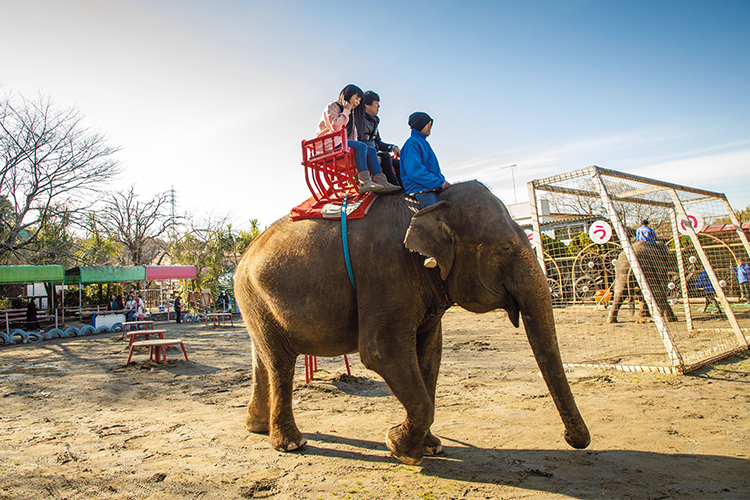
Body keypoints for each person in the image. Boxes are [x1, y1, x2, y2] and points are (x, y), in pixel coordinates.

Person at [316, 84, 401, 194]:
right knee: (362, 146)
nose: (357, 102)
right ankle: (364, 181)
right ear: (348, 95)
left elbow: (353, 136)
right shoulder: (333, 107)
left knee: (371, 150)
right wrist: (346, 110)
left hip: (341, 143)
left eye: (359, 100)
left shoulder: (352, 115)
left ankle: (382, 182)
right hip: (329, 143)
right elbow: (336, 128)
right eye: (356, 98)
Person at [400, 112, 451, 268]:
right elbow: (415, 171)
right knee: (433, 213)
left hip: (431, 185)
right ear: (421, 124)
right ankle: (430, 253)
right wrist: (438, 183)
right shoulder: (411, 144)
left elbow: (434, 170)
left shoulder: (423, 143)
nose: (430, 127)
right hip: (420, 188)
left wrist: (441, 182)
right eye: (429, 124)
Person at [362, 91, 402, 187]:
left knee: (398, 163)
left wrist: (393, 147)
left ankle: (403, 188)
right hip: (364, 153)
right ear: (366, 104)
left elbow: (379, 143)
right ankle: (392, 184)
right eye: (376, 103)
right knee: (385, 156)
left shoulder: (374, 121)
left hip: (374, 153)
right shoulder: (358, 120)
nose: (378, 106)